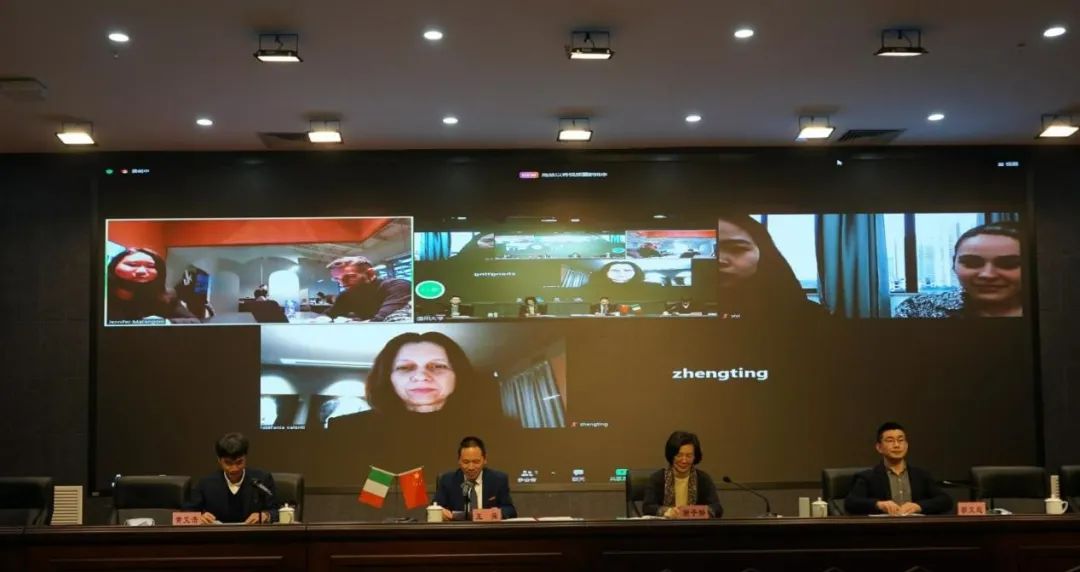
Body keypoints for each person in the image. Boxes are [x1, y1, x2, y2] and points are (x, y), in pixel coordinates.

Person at [894, 221, 1022, 318]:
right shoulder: (918, 309)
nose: (987, 275)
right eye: (971, 263)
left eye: (1008, 264)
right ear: (953, 265)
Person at [713, 214, 826, 319]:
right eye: (706, 250)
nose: (720, 260)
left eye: (736, 249)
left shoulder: (813, 318)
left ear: (764, 252)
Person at [844, 422, 953, 516]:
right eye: (890, 440)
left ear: (906, 445)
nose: (896, 445)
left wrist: (918, 506)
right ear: (879, 447)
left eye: (900, 440)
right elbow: (851, 503)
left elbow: (945, 500)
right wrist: (878, 504)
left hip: (917, 529)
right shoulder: (868, 477)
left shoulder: (921, 475)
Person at [187, 433, 278, 524]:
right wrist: (199, 517)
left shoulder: (263, 479)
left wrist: (266, 515)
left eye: (239, 462)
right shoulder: (205, 483)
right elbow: (187, 512)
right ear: (219, 460)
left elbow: (277, 511)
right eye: (228, 463)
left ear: (245, 458)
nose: (234, 469)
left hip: (253, 532)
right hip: (217, 532)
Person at [106, 248, 199, 324]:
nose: (142, 271)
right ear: (114, 266)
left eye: (150, 266)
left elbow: (194, 321)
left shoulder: (167, 295)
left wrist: (163, 322)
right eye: (132, 265)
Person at [642, 431, 723, 518]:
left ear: (695, 457)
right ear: (671, 456)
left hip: (695, 526)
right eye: (679, 455)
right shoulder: (657, 478)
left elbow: (717, 508)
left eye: (689, 456)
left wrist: (693, 512)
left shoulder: (703, 479)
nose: (684, 460)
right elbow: (648, 507)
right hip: (666, 525)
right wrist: (667, 511)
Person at [434, 436, 517, 520]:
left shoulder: (498, 480)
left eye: (476, 462)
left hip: (488, 527)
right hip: (459, 528)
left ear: (485, 459)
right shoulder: (447, 481)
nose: (471, 467)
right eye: (466, 462)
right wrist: (439, 512)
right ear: (459, 460)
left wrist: (495, 513)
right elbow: (433, 508)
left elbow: (510, 510)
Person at [324, 255, 412, 322]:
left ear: (370, 274)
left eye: (350, 277)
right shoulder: (347, 294)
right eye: (337, 279)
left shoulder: (398, 286)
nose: (342, 284)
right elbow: (329, 314)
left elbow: (383, 321)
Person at [582, 260, 665, 301]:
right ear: (606, 272)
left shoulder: (653, 288)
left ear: (636, 272)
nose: (621, 274)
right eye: (615, 271)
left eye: (627, 270)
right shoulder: (589, 288)